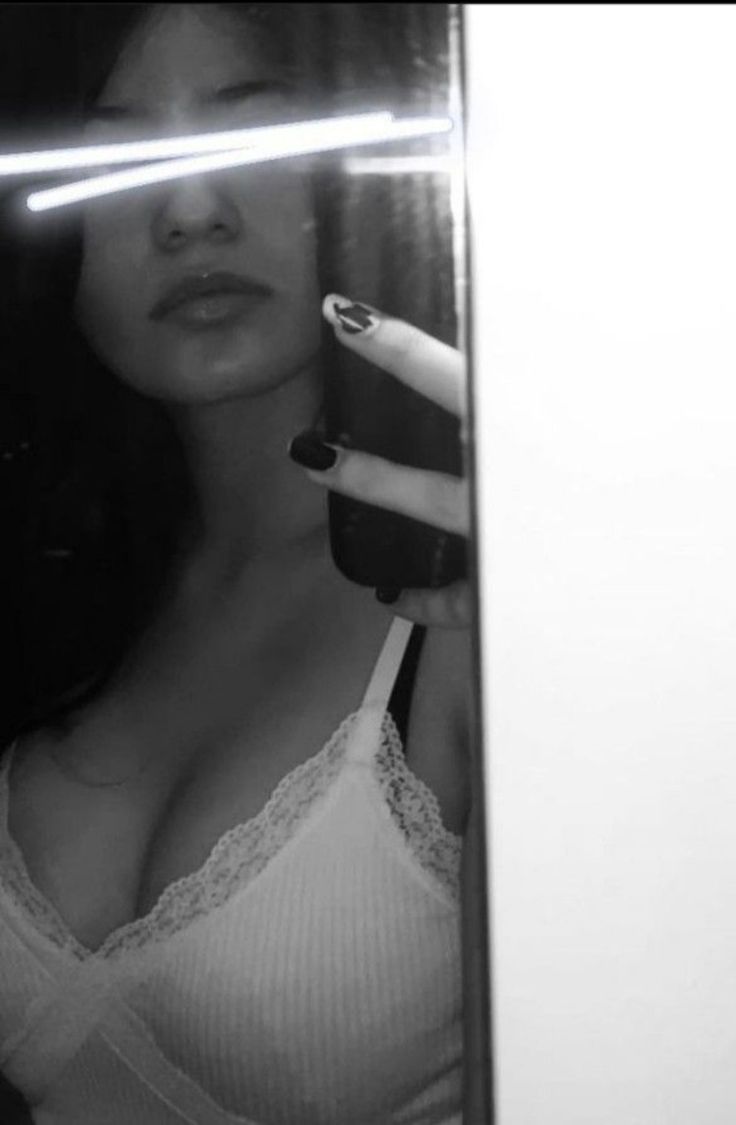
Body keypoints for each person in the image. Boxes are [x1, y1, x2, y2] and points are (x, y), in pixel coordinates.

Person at [0, 5, 480, 1123]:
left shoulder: (466, 601)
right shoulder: (57, 585)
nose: (190, 211)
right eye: (112, 162)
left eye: (254, 135)